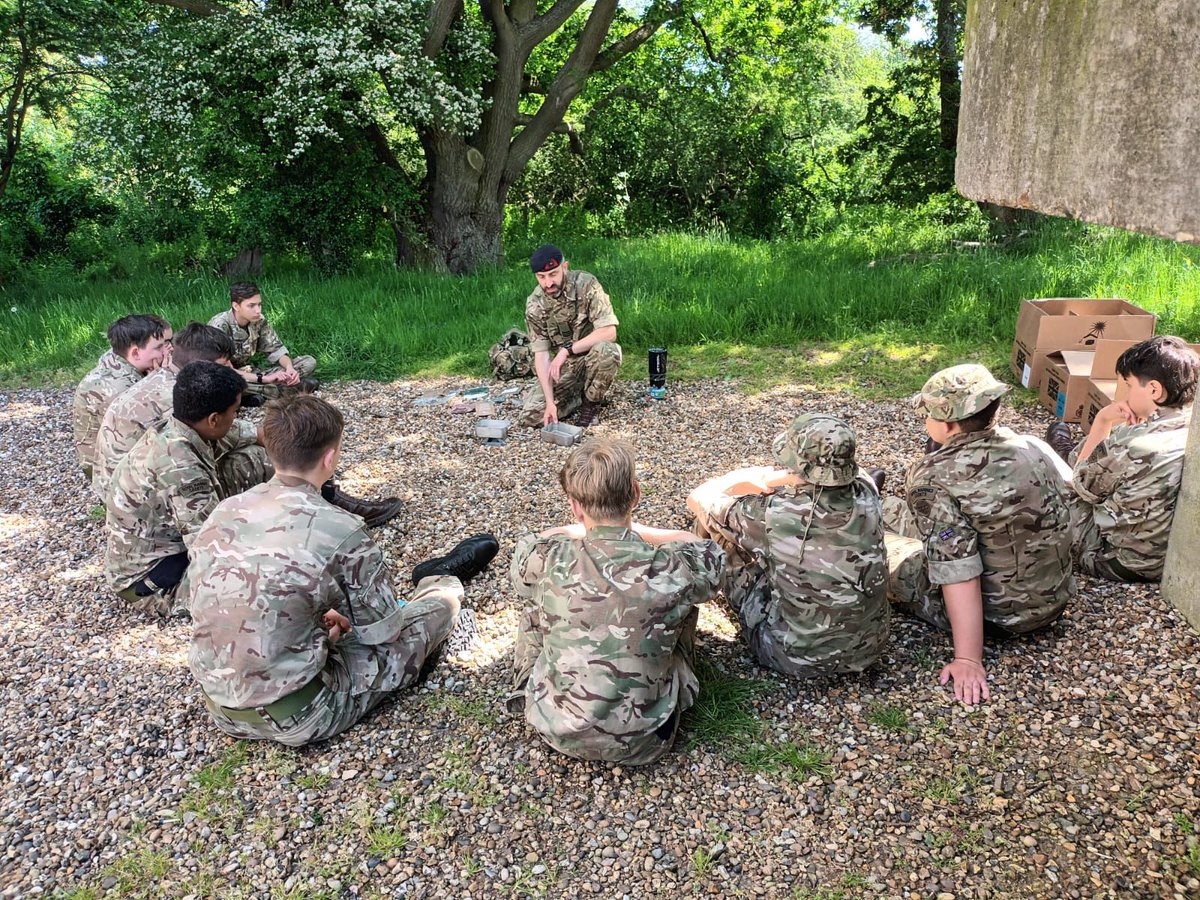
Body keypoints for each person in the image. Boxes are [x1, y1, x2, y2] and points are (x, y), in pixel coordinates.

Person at [186, 395, 497, 747]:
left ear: (270, 450)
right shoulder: (340, 528)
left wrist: (315, 620)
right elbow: (382, 632)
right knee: (440, 607)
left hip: (222, 709)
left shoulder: (224, 511)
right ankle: (440, 579)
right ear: (330, 458)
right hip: (304, 715)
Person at [510, 437, 724, 765]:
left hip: (558, 731)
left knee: (535, 608)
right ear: (635, 494)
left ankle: (531, 690)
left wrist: (582, 527)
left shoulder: (549, 559)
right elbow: (704, 551)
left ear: (574, 505)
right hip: (649, 740)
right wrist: (636, 531)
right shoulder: (672, 567)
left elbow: (540, 541)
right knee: (685, 603)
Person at [882, 364, 1075, 706]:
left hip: (998, 616)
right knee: (895, 509)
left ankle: (854, 508)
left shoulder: (933, 477)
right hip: (1053, 601)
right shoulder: (1029, 446)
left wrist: (968, 659)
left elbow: (958, 566)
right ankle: (873, 502)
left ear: (948, 424)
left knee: (873, 549)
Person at [687, 414, 889, 677]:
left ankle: (697, 582)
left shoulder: (774, 513)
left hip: (793, 657)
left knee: (714, 528)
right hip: (870, 647)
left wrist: (752, 478)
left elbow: (697, 498)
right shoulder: (867, 488)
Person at [105, 361, 248, 618]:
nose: (236, 417)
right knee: (264, 586)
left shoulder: (180, 424)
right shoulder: (180, 468)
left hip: (171, 548)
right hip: (154, 582)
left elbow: (247, 434)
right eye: (235, 411)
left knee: (254, 458)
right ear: (214, 419)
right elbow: (213, 550)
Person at [1058, 336, 1199, 582]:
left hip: (1116, 560)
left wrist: (1103, 419)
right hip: (1164, 557)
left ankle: (1063, 450)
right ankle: (1064, 449)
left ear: (1154, 389)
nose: (1124, 393)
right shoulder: (1190, 427)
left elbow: (1081, 485)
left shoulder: (1134, 444)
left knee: (1049, 487)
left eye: (1129, 385)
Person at [93, 322, 270, 502]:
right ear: (202, 367)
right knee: (253, 459)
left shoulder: (167, 379)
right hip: (139, 499)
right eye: (224, 365)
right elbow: (218, 435)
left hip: (127, 486)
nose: (231, 370)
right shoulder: (176, 397)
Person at [517, 245, 622, 429]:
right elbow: (541, 355)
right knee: (530, 418)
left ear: (565, 267)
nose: (548, 283)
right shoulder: (535, 304)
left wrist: (567, 350)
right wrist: (550, 402)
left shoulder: (587, 284)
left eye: (553, 274)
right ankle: (578, 397)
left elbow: (609, 332)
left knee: (608, 351)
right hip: (564, 370)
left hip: (591, 359)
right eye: (541, 277)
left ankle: (591, 405)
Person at [73, 314, 172, 480]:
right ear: (135, 353)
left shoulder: (123, 362)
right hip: (112, 473)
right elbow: (156, 430)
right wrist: (162, 380)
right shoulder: (116, 388)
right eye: (159, 347)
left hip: (124, 456)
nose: (167, 351)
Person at [208, 282, 317, 405]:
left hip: (250, 373)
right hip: (228, 375)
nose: (258, 310)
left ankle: (258, 395)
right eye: (251, 306)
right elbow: (223, 370)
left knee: (308, 362)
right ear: (236, 306)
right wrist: (264, 379)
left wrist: (289, 369)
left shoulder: (259, 321)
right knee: (226, 384)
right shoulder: (219, 325)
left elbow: (276, 350)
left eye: (259, 305)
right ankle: (278, 390)